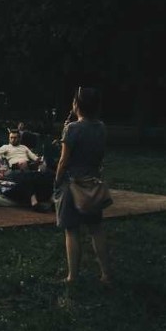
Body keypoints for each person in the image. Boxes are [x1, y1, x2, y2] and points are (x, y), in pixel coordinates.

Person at [54, 87, 110, 285]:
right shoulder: (101, 127)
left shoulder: (72, 129)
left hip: (72, 183)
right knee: (96, 228)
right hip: (93, 183)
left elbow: (63, 160)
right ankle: (105, 274)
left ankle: (72, 276)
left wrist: (57, 180)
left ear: (77, 105)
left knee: (71, 229)